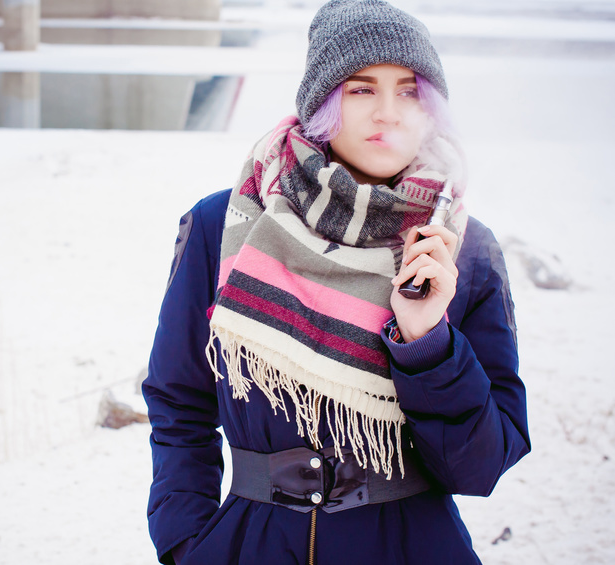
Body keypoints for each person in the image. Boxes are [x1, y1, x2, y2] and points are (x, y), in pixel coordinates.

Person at [143, 1, 531, 563]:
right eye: (361, 89)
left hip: (410, 546)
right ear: (323, 102)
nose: (388, 113)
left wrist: (428, 344)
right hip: (249, 544)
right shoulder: (224, 225)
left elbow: (482, 465)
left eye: (409, 90)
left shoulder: (460, 249)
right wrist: (187, 542)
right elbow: (179, 400)